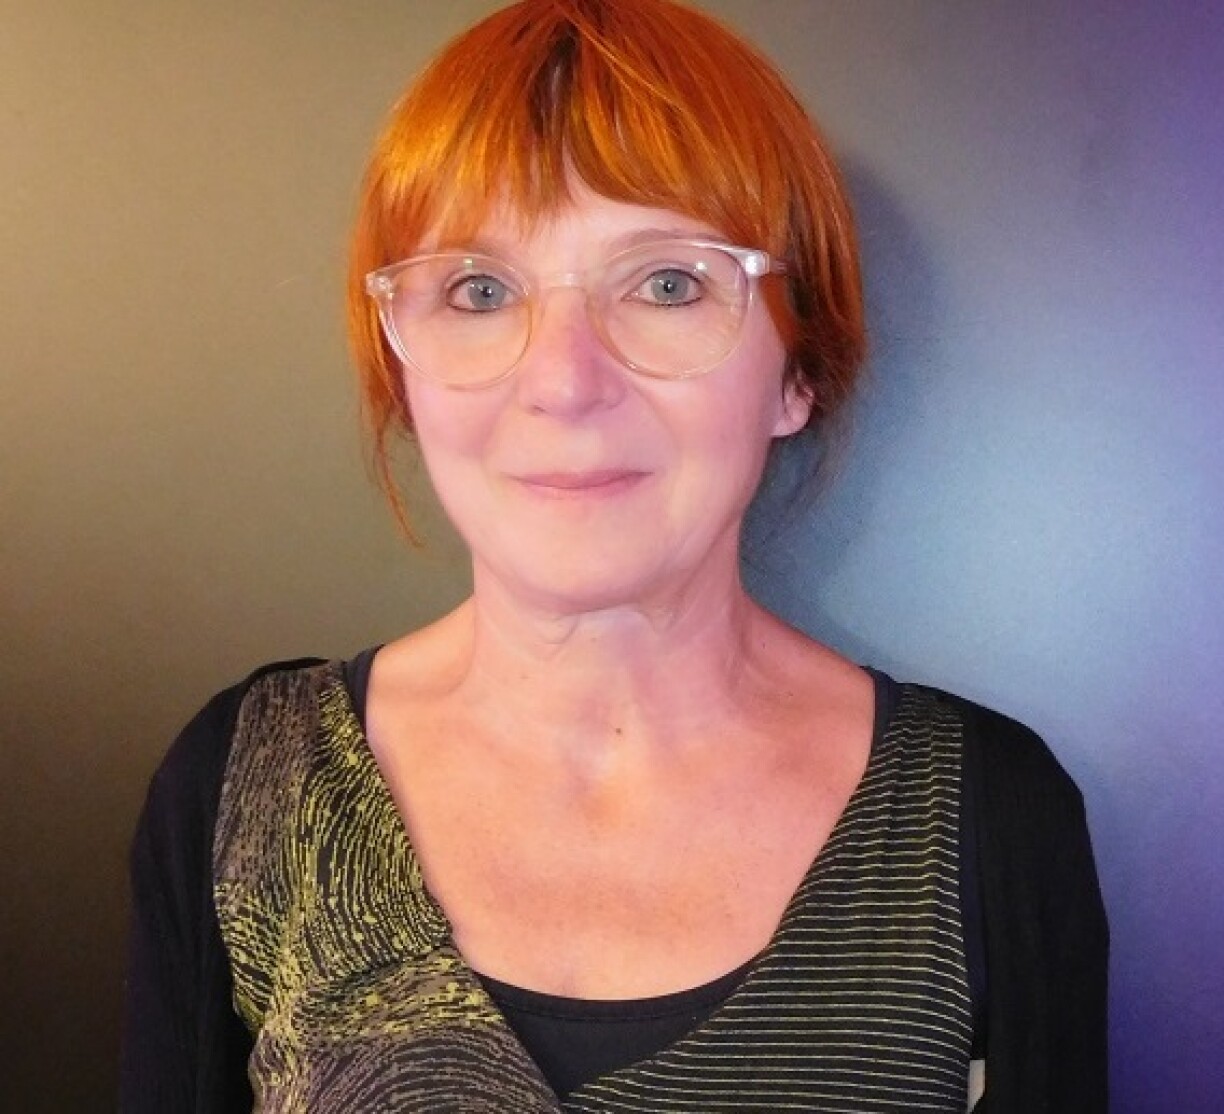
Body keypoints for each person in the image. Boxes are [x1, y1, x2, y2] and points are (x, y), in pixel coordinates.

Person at [120, 1, 1108, 1111]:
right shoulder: (244, 790)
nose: (563, 380)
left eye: (668, 283)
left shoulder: (987, 823)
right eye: (479, 290)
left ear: (798, 373)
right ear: (403, 369)